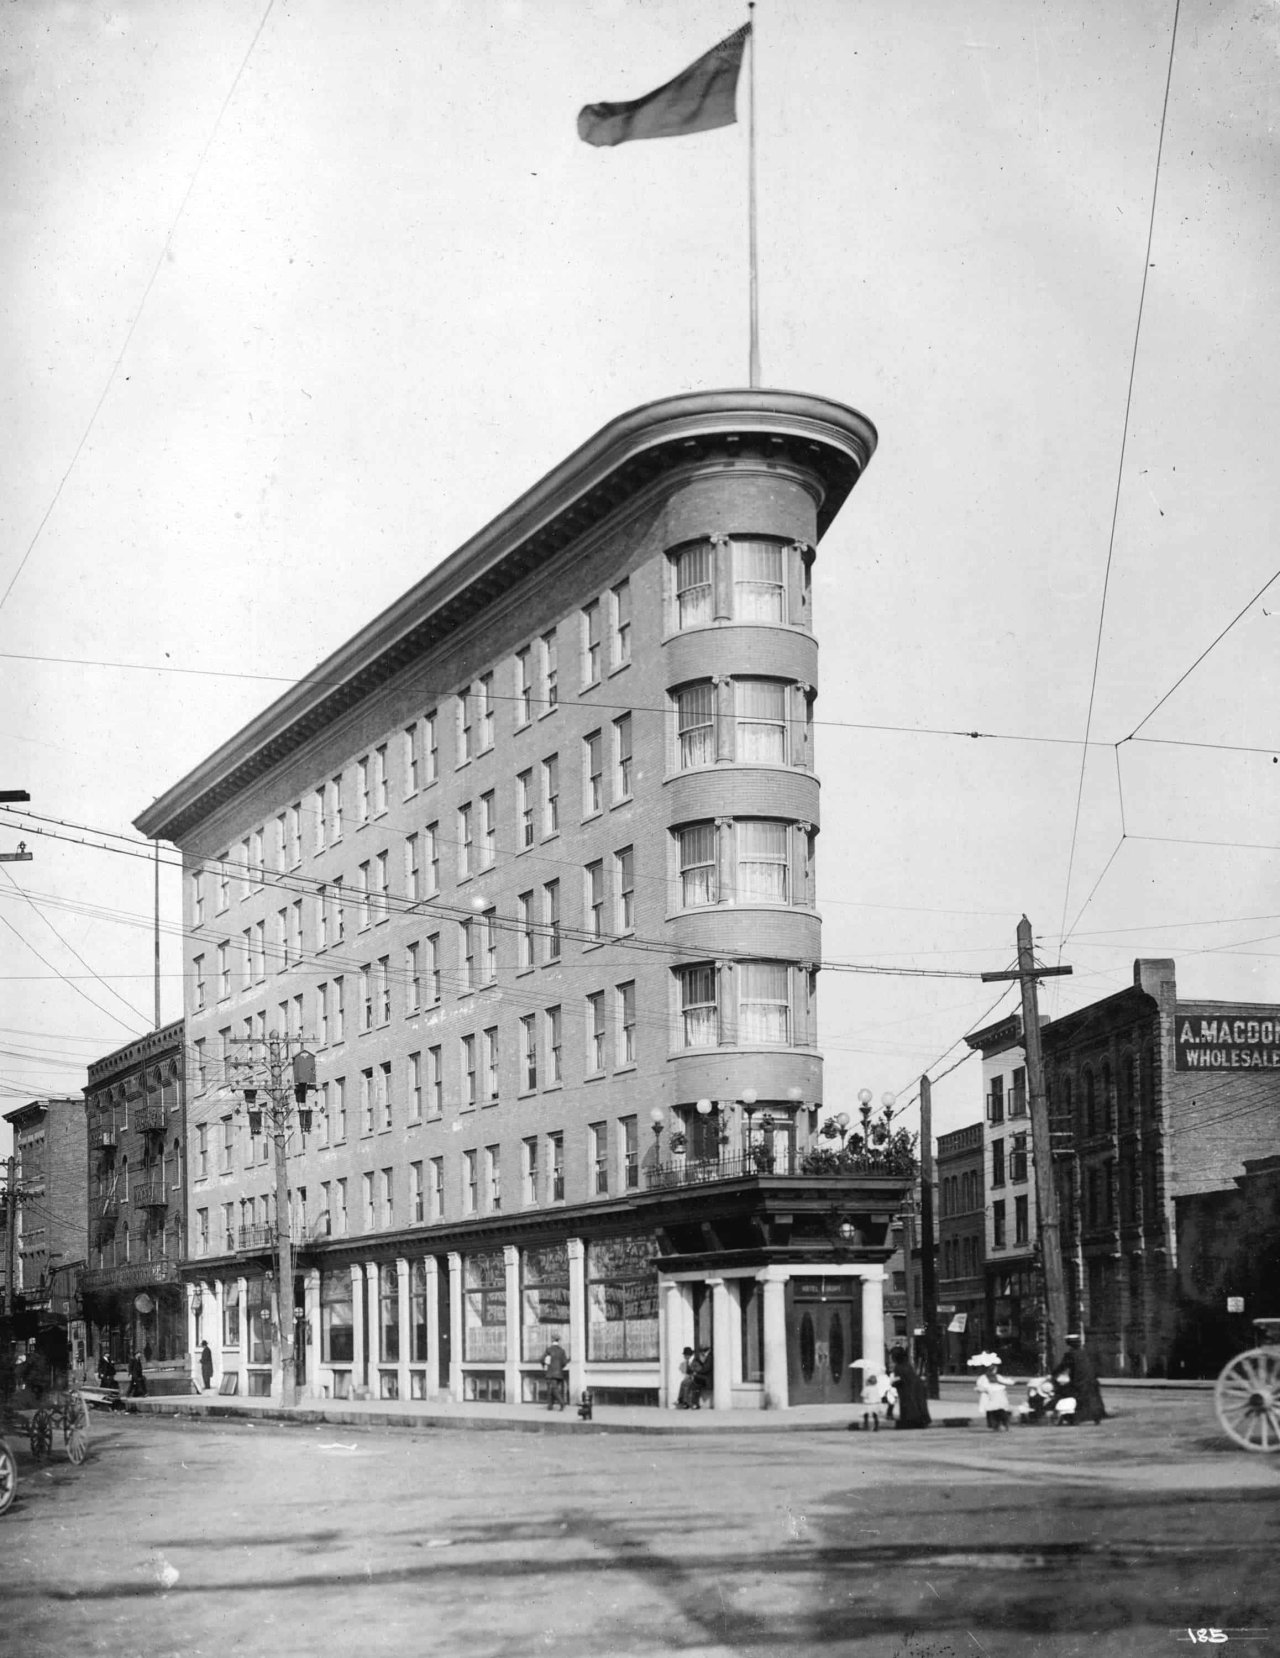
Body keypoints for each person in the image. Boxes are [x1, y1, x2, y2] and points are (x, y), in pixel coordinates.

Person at [1052, 1332, 1107, 1423]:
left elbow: (1062, 1367)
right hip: (1092, 1381)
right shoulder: (1086, 1353)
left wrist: (1052, 1375)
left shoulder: (1070, 1354)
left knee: (1065, 1393)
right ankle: (1096, 1416)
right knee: (1091, 1399)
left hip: (1079, 1382)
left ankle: (1070, 1416)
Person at [889, 1347, 931, 1430]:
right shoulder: (907, 1364)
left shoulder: (898, 1367)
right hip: (916, 1387)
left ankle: (910, 1422)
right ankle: (921, 1421)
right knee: (918, 1405)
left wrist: (893, 1383)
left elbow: (899, 1379)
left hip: (907, 1389)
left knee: (909, 1406)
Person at [975, 1360, 1013, 1430]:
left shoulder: (983, 1377)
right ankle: (1002, 1424)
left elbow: (979, 1386)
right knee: (999, 1410)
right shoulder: (996, 1377)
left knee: (991, 1410)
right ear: (994, 1370)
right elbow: (1006, 1382)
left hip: (989, 1395)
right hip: (996, 1395)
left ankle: (994, 1424)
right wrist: (1011, 1381)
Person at [541, 1334, 568, 1410]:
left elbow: (542, 1359)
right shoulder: (562, 1350)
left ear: (552, 1340)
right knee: (552, 1389)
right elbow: (565, 1362)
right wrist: (559, 1368)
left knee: (553, 1389)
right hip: (559, 1374)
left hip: (550, 1373)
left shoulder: (549, 1350)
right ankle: (550, 1406)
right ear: (558, 1340)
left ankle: (562, 1403)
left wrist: (545, 1366)